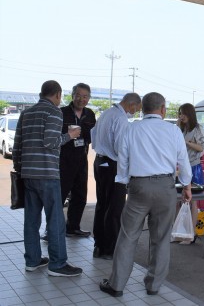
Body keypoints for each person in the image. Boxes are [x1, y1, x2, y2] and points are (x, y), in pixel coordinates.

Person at [99, 92, 192, 297]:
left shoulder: (132, 129)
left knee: (128, 236)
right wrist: (186, 185)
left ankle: (116, 285)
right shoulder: (173, 130)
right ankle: (153, 286)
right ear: (163, 109)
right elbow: (183, 161)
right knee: (160, 238)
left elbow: (123, 159)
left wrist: (123, 181)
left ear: (142, 109)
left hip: (138, 188)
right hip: (166, 187)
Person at [12, 80, 83, 277]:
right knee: (55, 219)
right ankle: (58, 264)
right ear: (58, 95)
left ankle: (33, 260)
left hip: (28, 173)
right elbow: (51, 142)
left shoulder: (26, 113)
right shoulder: (54, 112)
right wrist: (70, 135)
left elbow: (18, 144)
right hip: (47, 174)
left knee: (31, 220)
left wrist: (20, 168)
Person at [91, 93, 141, 259]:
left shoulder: (106, 113)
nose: (136, 112)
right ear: (132, 104)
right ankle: (109, 249)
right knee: (115, 208)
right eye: (137, 108)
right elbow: (121, 147)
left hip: (100, 162)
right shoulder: (120, 119)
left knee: (102, 205)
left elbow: (93, 135)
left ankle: (98, 245)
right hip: (113, 166)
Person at [60, 83, 96, 237]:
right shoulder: (61, 112)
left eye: (85, 96)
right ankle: (52, 229)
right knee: (59, 197)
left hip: (81, 159)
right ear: (72, 95)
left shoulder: (90, 114)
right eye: (78, 95)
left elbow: (93, 136)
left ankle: (73, 227)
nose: (82, 99)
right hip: (64, 160)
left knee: (80, 196)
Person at [175, 103, 204, 244]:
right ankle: (178, 232)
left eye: (184, 114)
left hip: (194, 167)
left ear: (190, 114)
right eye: (180, 113)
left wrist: (187, 143)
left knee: (192, 202)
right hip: (181, 167)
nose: (182, 116)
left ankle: (191, 234)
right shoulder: (180, 128)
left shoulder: (197, 128)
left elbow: (201, 147)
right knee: (177, 201)